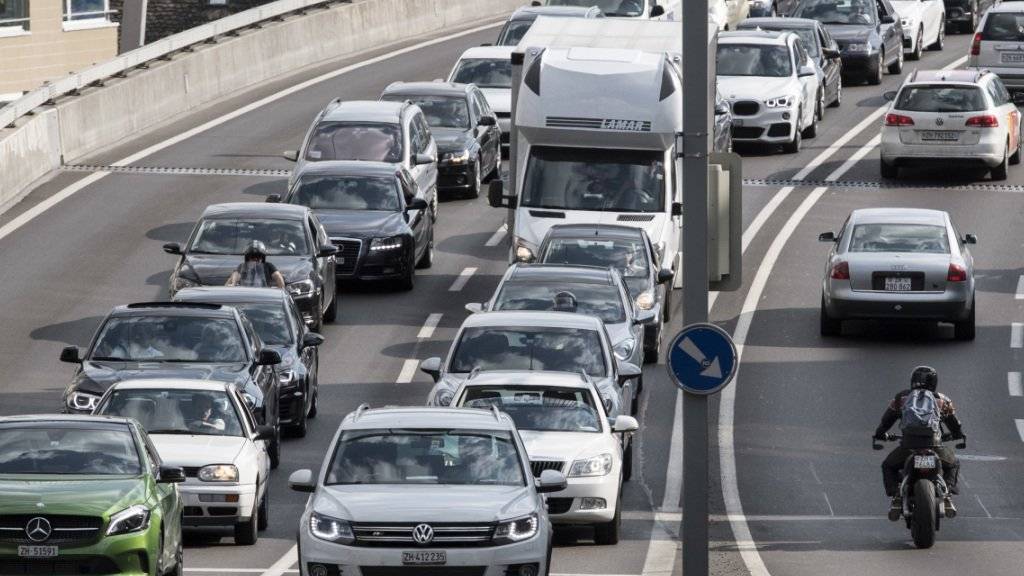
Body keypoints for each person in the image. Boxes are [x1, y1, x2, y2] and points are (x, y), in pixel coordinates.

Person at [873, 366, 964, 520]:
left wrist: (880, 435)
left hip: (908, 446)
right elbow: (954, 424)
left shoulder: (901, 398)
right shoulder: (942, 399)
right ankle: (947, 494)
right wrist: (957, 435)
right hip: (935, 446)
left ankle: (896, 496)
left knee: (888, 465)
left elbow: (886, 421)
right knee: (954, 463)